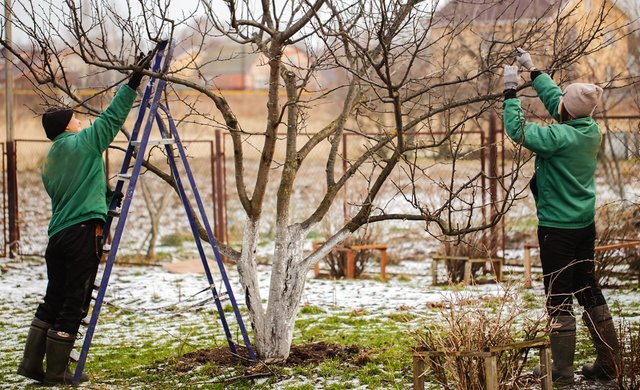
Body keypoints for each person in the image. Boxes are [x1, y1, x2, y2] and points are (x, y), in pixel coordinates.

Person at [16, 52, 150, 385]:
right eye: (75, 119)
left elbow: (76, 190)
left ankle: (31, 365)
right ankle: (58, 371)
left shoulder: (50, 161)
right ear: (66, 126)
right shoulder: (84, 143)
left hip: (58, 237)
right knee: (74, 301)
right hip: (80, 236)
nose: (80, 122)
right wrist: (133, 81)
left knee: (54, 297)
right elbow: (112, 117)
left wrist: (105, 198)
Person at [502, 49, 620, 384]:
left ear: (568, 111)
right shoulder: (589, 129)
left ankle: (561, 372)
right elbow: (560, 103)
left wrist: (510, 92)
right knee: (587, 288)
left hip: (557, 230)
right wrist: (533, 70)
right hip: (584, 225)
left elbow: (518, 130)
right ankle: (609, 364)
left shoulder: (558, 138)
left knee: (557, 297)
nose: (560, 107)